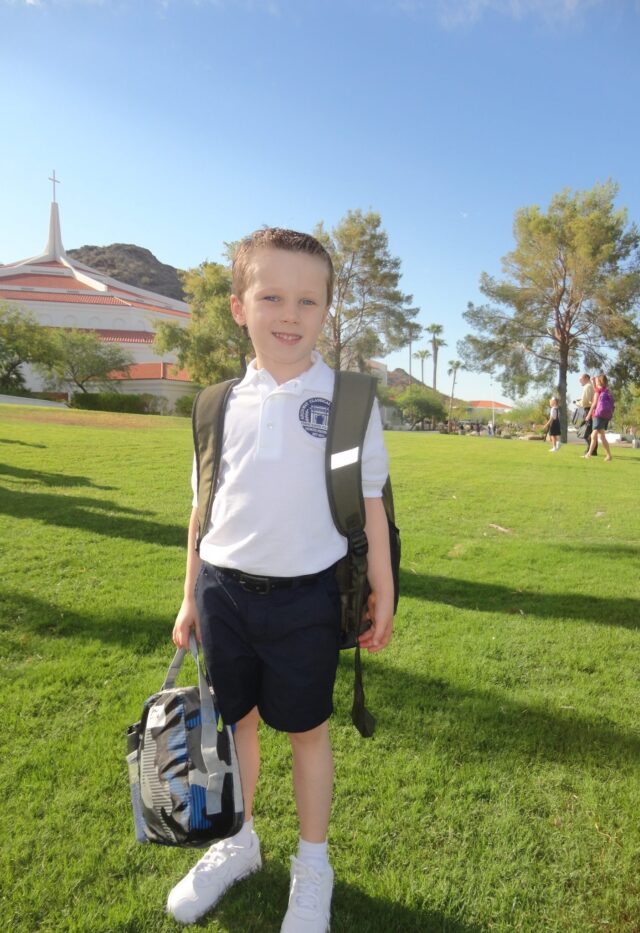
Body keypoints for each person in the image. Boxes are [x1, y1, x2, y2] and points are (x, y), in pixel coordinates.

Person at [167, 228, 395, 930]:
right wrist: (188, 596)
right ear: (240, 306)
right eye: (271, 296)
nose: (289, 314)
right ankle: (238, 844)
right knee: (236, 727)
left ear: (327, 309)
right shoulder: (216, 403)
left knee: (307, 733)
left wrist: (383, 589)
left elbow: (372, 506)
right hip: (223, 593)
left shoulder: (351, 400)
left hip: (308, 597)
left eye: (307, 299)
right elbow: (202, 510)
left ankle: (313, 864)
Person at [584, 374, 614, 461]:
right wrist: (594, 382)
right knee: (599, 436)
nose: (596, 381)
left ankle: (590, 454)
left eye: (597, 380)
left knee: (596, 436)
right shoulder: (606, 390)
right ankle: (607, 455)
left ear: (599, 381)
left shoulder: (598, 391)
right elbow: (596, 390)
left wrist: (588, 415)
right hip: (605, 415)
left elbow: (594, 404)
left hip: (597, 415)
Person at [577, 373, 596, 456]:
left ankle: (590, 450)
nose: (579, 381)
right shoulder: (591, 386)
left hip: (588, 410)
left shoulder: (587, 387)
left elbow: (585, 401)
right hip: (592, 410)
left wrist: (578, 403)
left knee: (585, 431)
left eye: (580, 379)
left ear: (585, 378)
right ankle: (593, 450)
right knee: (591, 431)